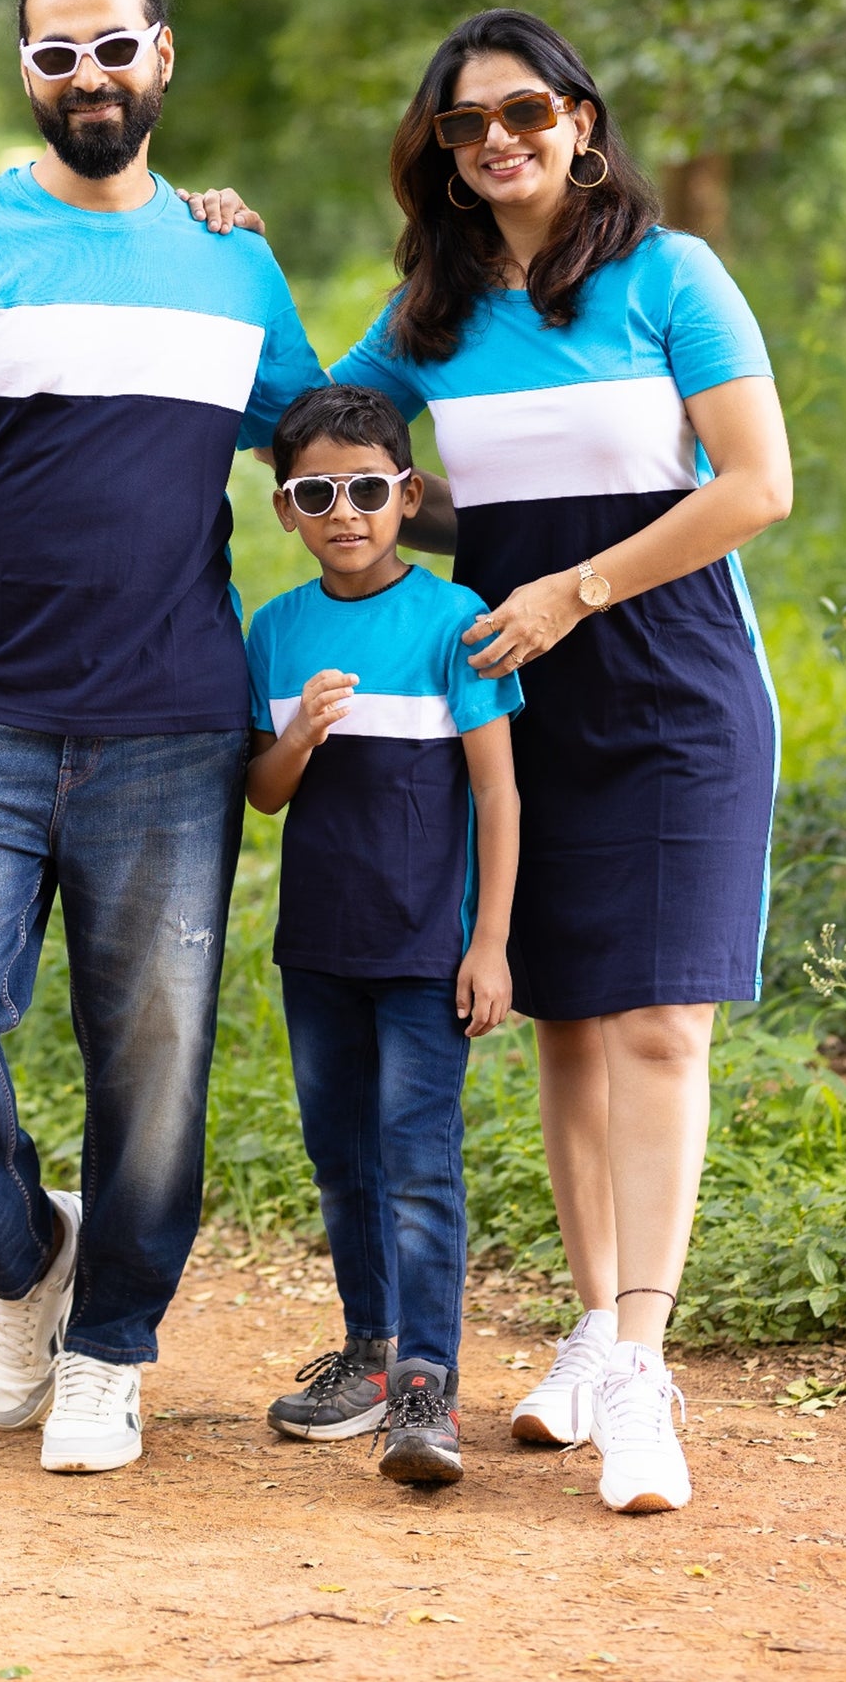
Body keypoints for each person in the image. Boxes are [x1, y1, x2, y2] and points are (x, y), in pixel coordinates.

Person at [192, 6, 791, 1514]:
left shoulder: (671, 275)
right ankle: (592, 1328)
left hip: (676, 692)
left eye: (526, 109)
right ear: (442, 153)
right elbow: (314, 431)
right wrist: (238, 262)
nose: (498, 139)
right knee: (567, 1027)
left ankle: (640, 1367)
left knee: (659, 1027)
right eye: (465, 123)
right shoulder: (435, 315)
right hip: (514, 699)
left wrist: (574, 589)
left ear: (579, 120)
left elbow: (756, 485)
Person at [0, 0, 327, 1475]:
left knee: (156, 1058)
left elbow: (330, 449)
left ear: (161, 55)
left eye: (114, 46)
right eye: (57, 54)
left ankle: (112, 1344)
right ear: (26, 72)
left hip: (174, 727)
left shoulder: (232, 262)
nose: (89, 76)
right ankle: (26, 1247)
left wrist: (554, 546)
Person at [246, 383, 520, 1483]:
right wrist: (301, 734)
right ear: (285, 509)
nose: (344, 512)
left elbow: (496, 793)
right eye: (316, 494)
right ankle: (367, 1355)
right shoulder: (274, 630)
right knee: (340, 1159)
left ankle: (425, 1384)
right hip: (317, 949)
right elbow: (261, 793)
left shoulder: (455, 621)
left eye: (366, 488)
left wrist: (488, 941)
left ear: (407, 495)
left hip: (422, 953)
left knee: (417, 1162)